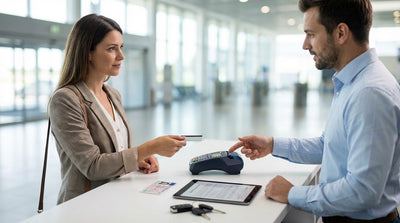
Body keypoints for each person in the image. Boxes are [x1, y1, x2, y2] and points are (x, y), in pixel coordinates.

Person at [229, 0, 400, 222]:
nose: (305, 45)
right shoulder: (353, 84)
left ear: (340, 33)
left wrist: (291, 193)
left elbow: (362, 191)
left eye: (310, 34)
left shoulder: (369, 93)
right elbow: (329, 146)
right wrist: (272, 145)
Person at [49, 14, 187, 204]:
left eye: (120, 48)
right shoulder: (65, 99)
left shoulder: (113, 94)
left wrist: (139, 159)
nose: (121, 56)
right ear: (87, 52)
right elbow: (92, 166)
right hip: (84, 207)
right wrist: (150, 147)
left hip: (117, 199)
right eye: (112, 49)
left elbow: (115, 151)